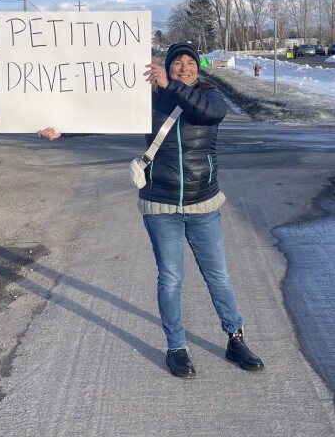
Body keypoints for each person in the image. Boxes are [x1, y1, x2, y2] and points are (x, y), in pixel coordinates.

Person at [37, 42, 263, 379]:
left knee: (219, 277)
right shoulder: (148, 98)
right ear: (167, 66)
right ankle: (176, 347)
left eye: (190, 63)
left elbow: (209, 114)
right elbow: (106, 118)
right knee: (171, 279)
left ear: (198, 68)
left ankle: (235, 339)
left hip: (204, 204)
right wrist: (62, 128)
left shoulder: (210, 95)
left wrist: (170, 86)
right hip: (161, 204)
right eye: (177, 63)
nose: (184, 68)